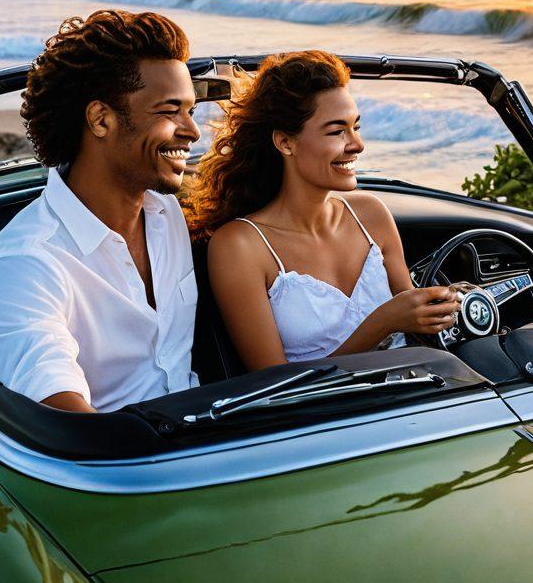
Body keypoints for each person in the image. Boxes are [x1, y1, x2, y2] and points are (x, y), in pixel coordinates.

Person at [0, 10, 201, 413]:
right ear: (101, 119)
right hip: (123, 468)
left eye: (191, 110)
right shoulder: (22, 266)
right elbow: (69, 423)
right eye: (169, 111)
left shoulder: (168, 212)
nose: (192, 131)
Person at [188, 50, 462, 370]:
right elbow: (270, 383)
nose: (356, 144)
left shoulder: (371, 215)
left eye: (355, 127)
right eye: (337, 131)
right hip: (322, 418)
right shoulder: (240, 245)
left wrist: (447, 303)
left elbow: (416, 320)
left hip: (420, 394)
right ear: (285, 143)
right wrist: (383, 322)